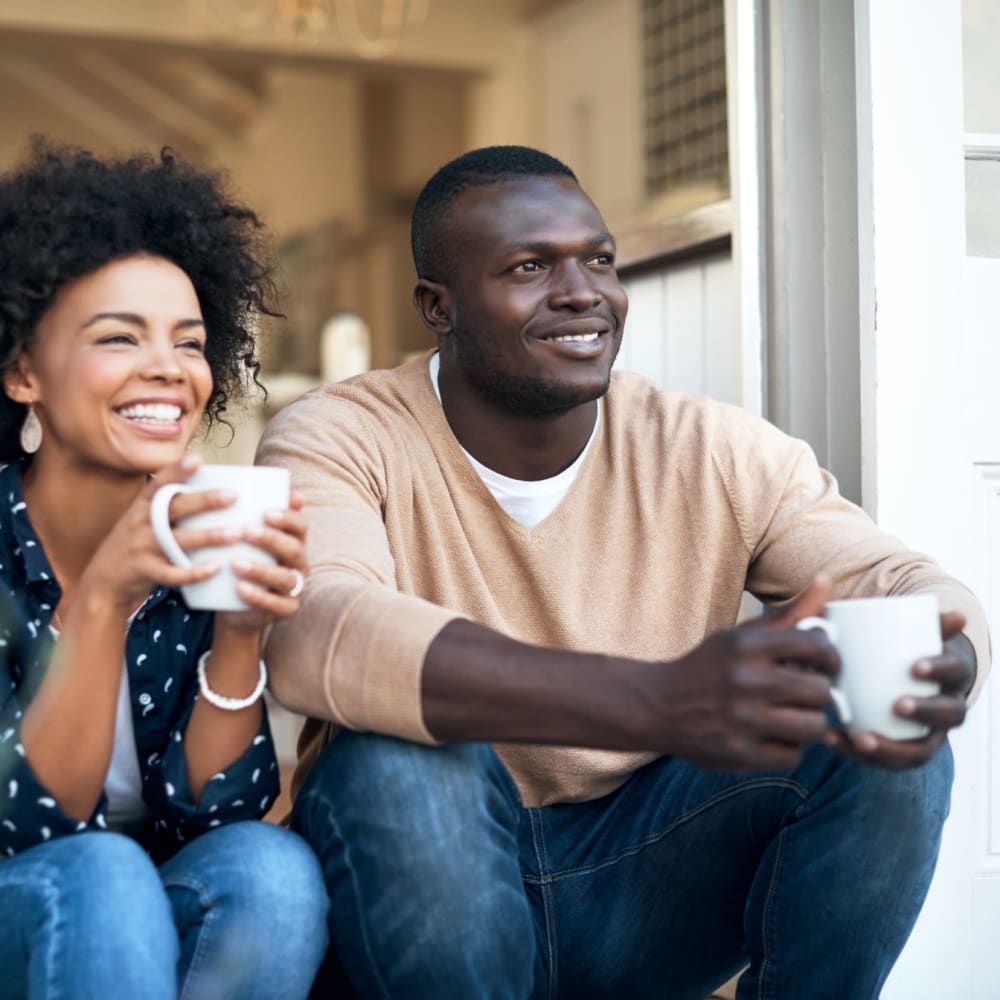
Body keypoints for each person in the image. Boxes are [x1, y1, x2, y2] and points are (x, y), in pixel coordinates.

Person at [257, 145, 990, 999]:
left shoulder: (711, 447)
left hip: (641, 884)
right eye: (530, 267)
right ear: (438, 306)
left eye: (598, 260)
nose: (583, 293)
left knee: (881, 732)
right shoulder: (339, 433)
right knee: (398, 762)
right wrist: (658, 697)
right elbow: (318, 636)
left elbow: (901, 580)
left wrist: (944, 656)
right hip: (428, 879)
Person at [0, 140, 328, 1000]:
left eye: (189, 342)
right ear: (23, 369)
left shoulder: (194, 529)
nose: (169, 370)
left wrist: (241, 631)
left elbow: (212, 815)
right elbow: (32, 826)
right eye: (120, 337)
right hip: (28, 895)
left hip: (132, 904)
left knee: (270, 871)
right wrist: (106, 594)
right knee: (100, 874)